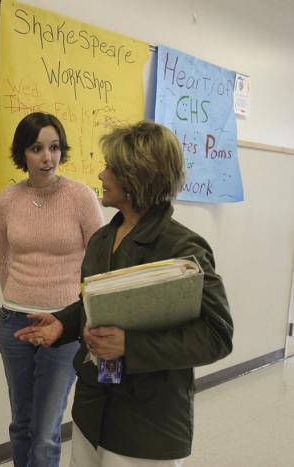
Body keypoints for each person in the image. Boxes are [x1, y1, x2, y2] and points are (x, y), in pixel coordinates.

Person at [15, 121, 234, 467]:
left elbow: (217, 335)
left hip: (146, 421)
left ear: (135, 179)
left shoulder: (183, 249)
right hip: (92, 410)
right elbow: (102, 302)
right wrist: (64, 323)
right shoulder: (104, 238)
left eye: (110, 168)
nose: (101, 175)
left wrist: (130, 346)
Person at [0, 112, 104, 466]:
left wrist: (78, 312)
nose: (47, 158)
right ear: (22, 153)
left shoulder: (81, 197)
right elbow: (2, 258)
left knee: (45, 431)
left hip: (64, 325)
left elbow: (100, 261)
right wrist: (17, 296)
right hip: (15, 321)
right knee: (20, 424)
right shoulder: (8, 200)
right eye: (37, 148)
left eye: (54, 148)